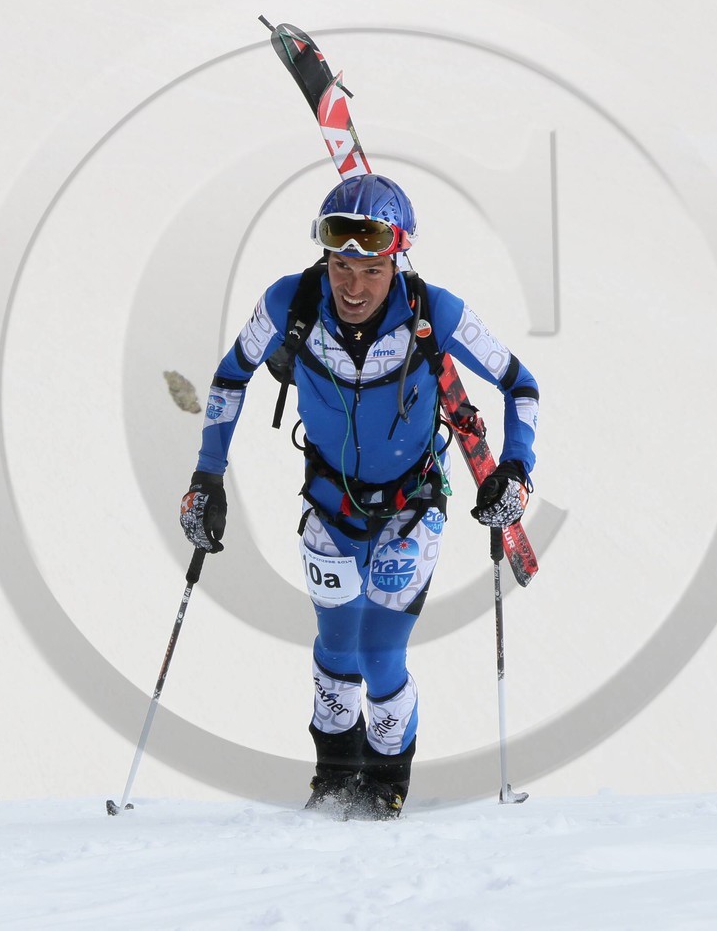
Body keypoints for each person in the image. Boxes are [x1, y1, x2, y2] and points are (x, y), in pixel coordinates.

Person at [178, 172, 539, 820]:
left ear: (396, 261)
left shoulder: (436, 313)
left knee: (378, 652)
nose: (353, 286)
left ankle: (386, 783)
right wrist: (207, 475)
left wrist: (516, 470)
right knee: (335, 647)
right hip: (329, 506)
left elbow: (521, 384)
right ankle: (334, 777)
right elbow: (232, 376)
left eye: (372, 270)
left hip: (411, 508)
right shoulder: (289, 303)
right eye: (342, 265)